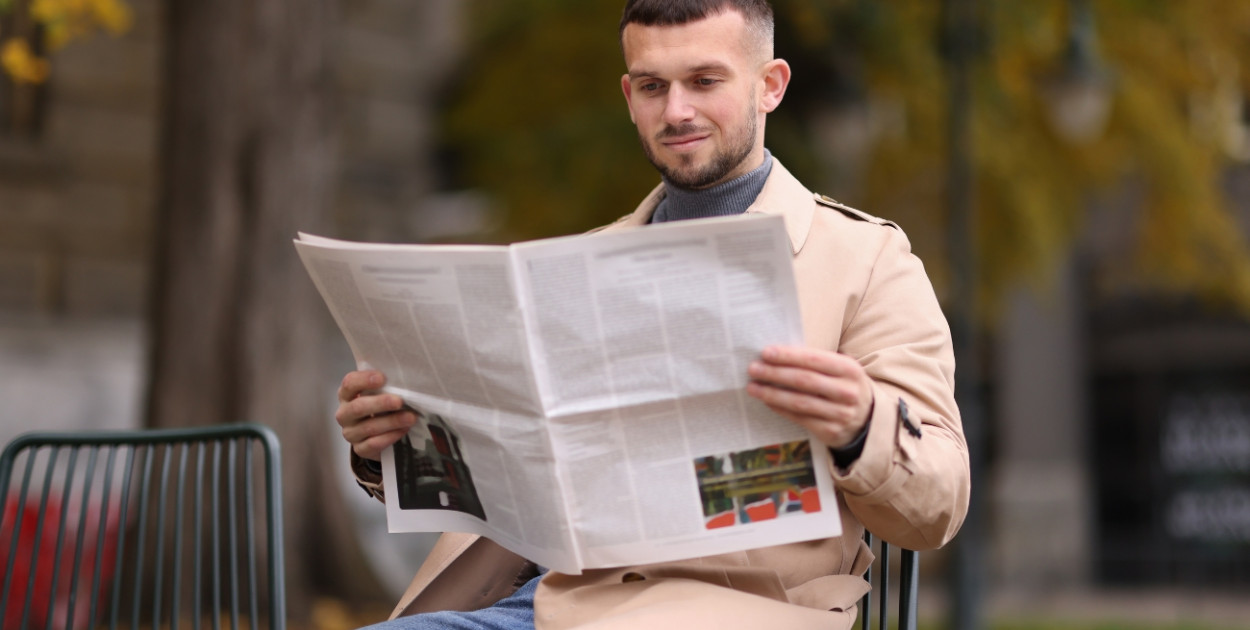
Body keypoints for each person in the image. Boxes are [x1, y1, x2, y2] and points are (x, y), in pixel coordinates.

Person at [335, 1, 970, 628]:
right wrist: (388, 447)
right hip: (559, 604)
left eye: (704, 81)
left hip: (748, 612)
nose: (676, 112)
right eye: (652, 87)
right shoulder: (578, 264)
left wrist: (863, 426)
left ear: (769, 86)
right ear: (628, 95)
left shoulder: (866, 259)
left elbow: (938, 505)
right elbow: (513, 473)